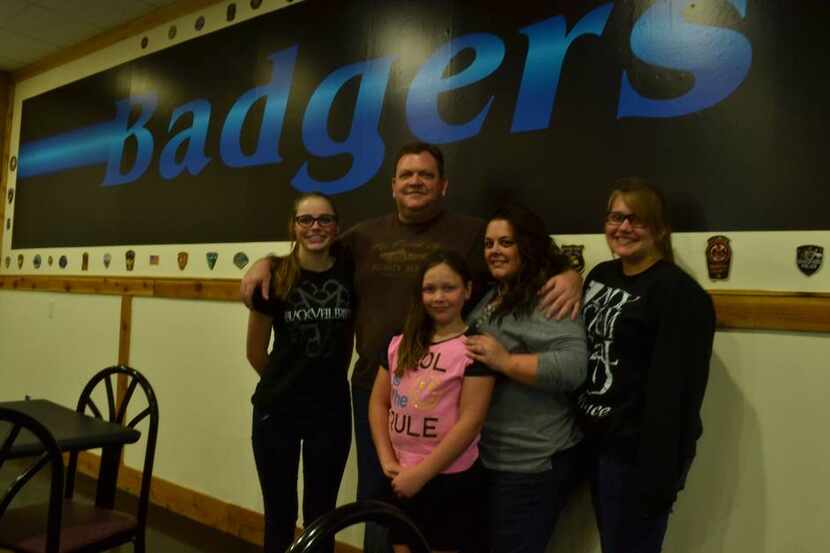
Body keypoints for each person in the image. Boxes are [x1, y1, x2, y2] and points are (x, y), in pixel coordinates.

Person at [241, 142, 583, 553]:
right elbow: (312, 248)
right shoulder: (362, 237)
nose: (415, 181)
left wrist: (569, 274)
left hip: (445, 392)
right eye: (406, 175)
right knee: (377, 499)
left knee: (437, 507)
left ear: (443, 185)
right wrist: (266, 262)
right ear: (393, 185)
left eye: (425, 174)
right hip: (375, 389)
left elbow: (525, 249)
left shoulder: (472, 233)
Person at [574, 178, 716, 553]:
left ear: (660, 228)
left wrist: (658, 474)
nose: (623, 228)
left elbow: (680, 392)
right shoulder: (600, 276)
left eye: (636, 220)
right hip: (595, 443)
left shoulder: (680, 294)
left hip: (638, 455)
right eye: (615, 217)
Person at [465, 204, 588, 553]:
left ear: (528, 246)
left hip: (531, 462)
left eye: (506, 242)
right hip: (490, 456)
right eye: (489, 243)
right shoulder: (494, 292)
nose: (494, 251)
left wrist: (505, 360)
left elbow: (573, 366)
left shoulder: (547, 296)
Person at [246, 192, 354, 553]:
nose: (315, 227)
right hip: (277, 413)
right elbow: (255, 353)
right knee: (279, 516)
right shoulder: (273, 277)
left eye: (324, 219)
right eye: (305, 220)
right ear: (293, 226)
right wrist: (290, 383)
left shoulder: (350, 271)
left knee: (321, 519)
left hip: (331, 413)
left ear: (336, 226)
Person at [369, 250, 495, 553]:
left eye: (448, 288)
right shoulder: (400, 341)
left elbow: (471, 422)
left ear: (466, 290)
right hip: (400, 474)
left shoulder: (474, 348)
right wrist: (387, 460)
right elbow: (378, 403)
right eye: (430, 289)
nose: (439, 297)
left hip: (448, 480)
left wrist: (422, 474)